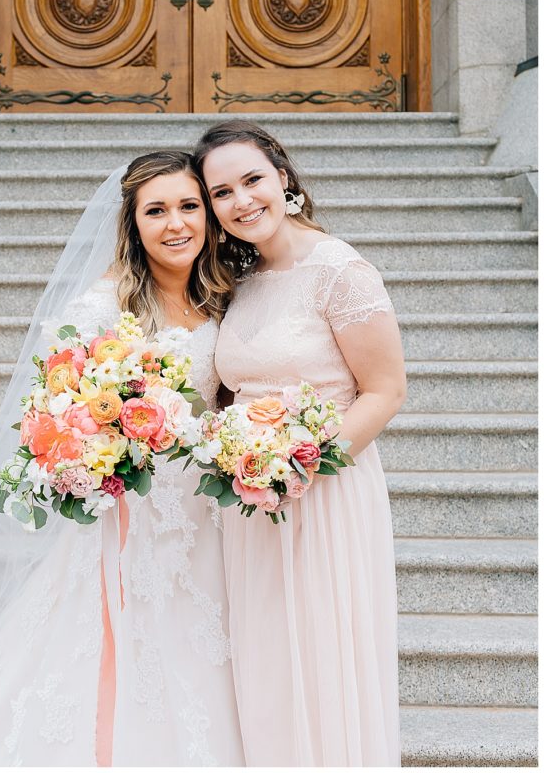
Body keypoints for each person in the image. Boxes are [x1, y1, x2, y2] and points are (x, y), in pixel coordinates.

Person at [0, 151, 245, 767]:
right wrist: (104, 451)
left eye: (189, 206)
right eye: (155, 211)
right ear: (132, 224)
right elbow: (54, 414)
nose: (176, 223)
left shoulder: (223, 297)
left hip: (207, 514)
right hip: (131, 514)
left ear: (210, 216)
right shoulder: (105, 306)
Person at [194, 119, 406, 767]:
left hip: (324, 493)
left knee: (319, 655)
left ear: (281, 178)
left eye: (251, 180)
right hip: (250, 498)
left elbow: (385, 390)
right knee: (262, 662)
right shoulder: (242, 279)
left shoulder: (339, 269)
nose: (240, 201)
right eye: (221, 193)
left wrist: (302, 465)